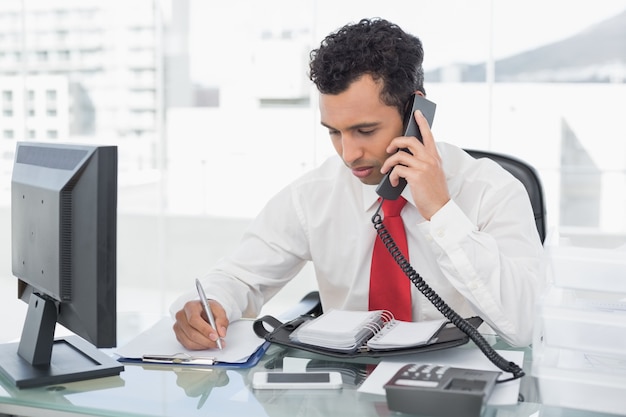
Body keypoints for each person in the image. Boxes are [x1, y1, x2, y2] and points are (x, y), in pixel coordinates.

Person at [171, 18, 545, 350]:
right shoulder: (313, 195)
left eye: (365, 131)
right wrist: (211, 305)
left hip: (453, 392)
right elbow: (239, 277)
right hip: (346, 391)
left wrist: (442, 214)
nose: (348, 154)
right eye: (334, 132)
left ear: (417, 113)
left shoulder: (492, 190)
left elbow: (526, 325)